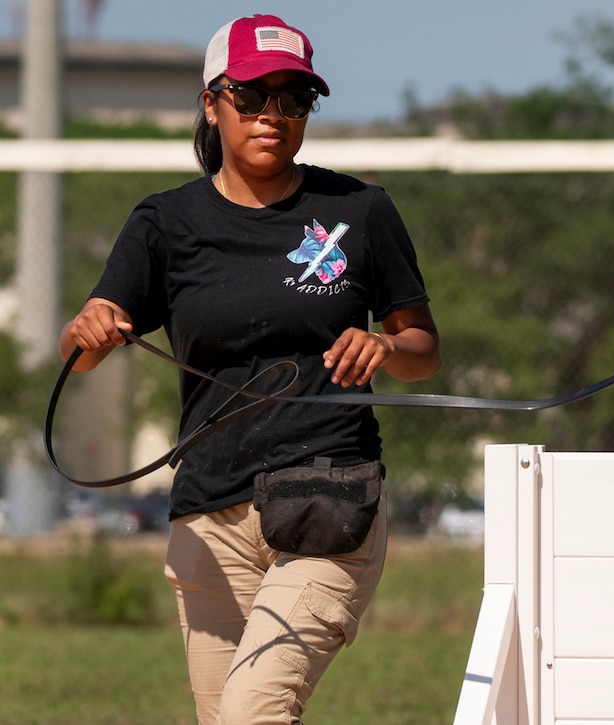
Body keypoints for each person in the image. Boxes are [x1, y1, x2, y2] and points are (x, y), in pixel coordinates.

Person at [58, 14, 441, 724]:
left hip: (329, 501)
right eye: (254, 95)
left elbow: (424, 348)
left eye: (295, 99)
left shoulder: (358, 210)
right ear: (212, 101)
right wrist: (89, 330)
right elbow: (80, 353)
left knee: (252, 712)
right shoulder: (164, 224)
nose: (274, 114)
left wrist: (388, 347)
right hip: (207, 515)